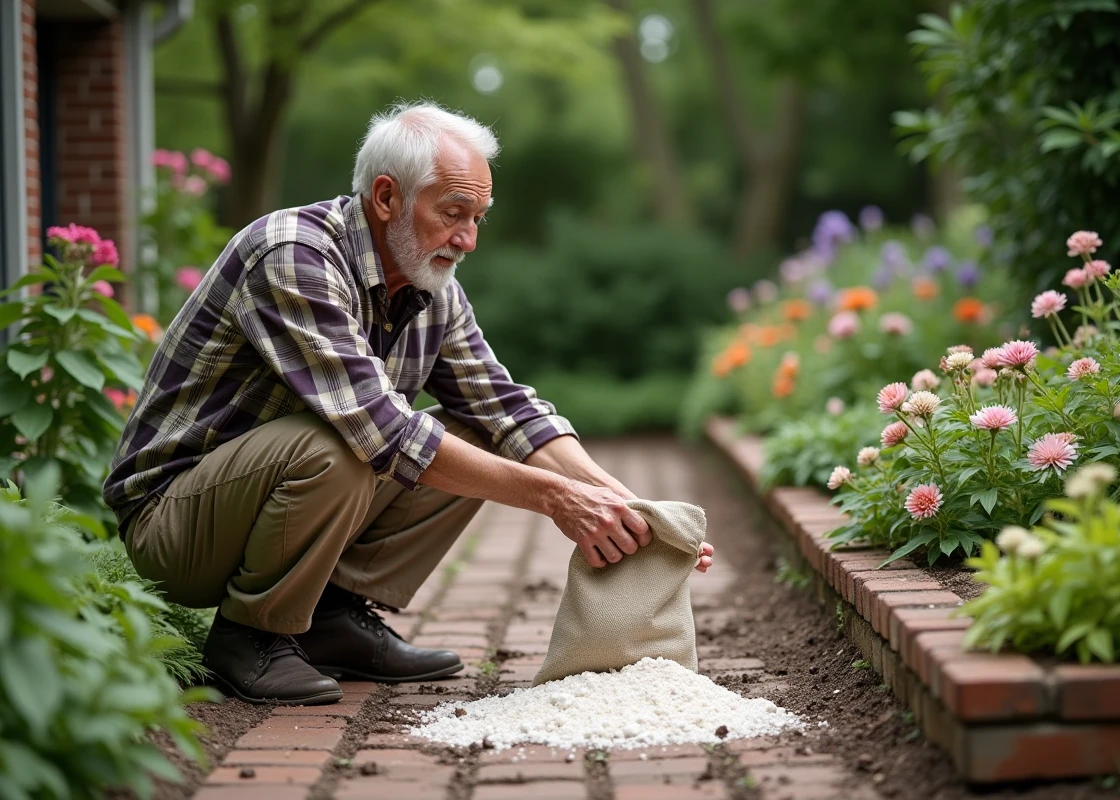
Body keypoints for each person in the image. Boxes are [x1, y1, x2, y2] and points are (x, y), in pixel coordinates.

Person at [103, 101, 715, 706]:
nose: (468, 239)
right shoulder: (292, 254)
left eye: (479, 217)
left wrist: (624, 506)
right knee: (338, 445)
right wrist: (554, 499)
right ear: (388, 197)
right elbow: (380, 428)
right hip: (174, 524)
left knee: (476, 434)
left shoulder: (432, 287)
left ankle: (330, 618)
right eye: (454, 213)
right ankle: (249, 637)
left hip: (262, 499)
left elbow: (508, 409)